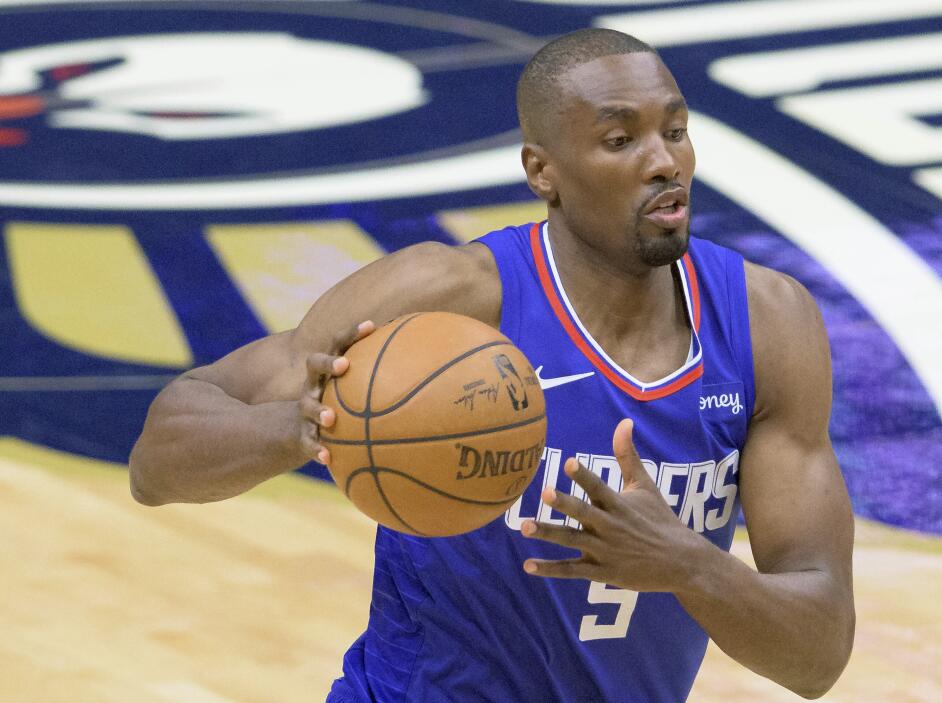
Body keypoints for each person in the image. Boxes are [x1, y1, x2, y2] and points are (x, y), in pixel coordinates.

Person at [129, 28, 855, 702]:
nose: (665, 161)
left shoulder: (766, 325)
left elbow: (818, 654)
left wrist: (689, 564)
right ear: (543, 170)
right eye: (619, 139)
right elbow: (156, 463)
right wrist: (298, 428)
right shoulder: (446, 299)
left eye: (675, 130)